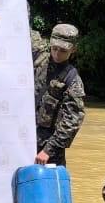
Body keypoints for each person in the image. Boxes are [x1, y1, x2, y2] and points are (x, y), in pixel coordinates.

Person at [34, 22, 85, 167]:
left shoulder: (72, 80)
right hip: (24, 141)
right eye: (54, 48)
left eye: (63, 50)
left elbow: (73, 121)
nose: (57, 53)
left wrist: (48, 150)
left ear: (73, 49)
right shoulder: (38, 60)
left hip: (48, 151)